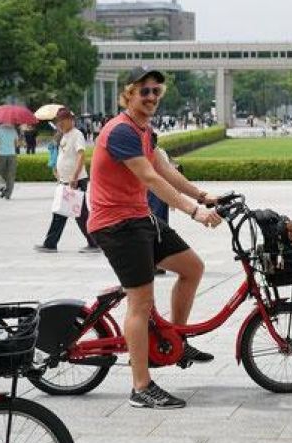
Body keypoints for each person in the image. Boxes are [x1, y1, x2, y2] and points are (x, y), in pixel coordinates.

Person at [88, 66, 223, 410]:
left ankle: (175, 340)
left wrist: (203, 195)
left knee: (192, 267)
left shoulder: (146, 131)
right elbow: (151, 179)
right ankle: (141, 386)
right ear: (128, 94)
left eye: (155, 92)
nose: (150, 97)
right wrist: (195, 212)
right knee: (141, 302)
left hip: (140, 219)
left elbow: (166, 170)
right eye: (144, 91)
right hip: (117, 225)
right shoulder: (120, 132)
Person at [35, 108, 98, 253]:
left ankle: (94, 243)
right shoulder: (64, 136)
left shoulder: (77, 135)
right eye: (58, 121)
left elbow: (81, 156)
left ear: (71, 120)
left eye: (63, 121)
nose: (60, 124)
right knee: (62, 213)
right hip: (66, 181)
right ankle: (51, 243)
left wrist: (74, 177)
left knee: (80, 215)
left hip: (76, 180)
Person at [0, 123, 19, 199]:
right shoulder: (13, 130)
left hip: (1, 155)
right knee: (11, 176)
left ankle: (2, 187)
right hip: (12, 155)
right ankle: (8, 194)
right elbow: (16, 144)